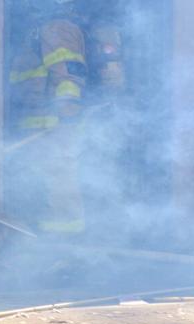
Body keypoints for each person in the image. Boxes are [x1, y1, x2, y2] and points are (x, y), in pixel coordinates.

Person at [7, 0, 124, 236]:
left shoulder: (57, 28)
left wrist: (67, 112)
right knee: (45, 183)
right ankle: (52, 239)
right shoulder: (43, 29)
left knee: (59, 183)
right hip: (43, 124)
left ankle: (62, 243)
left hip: (56, 125)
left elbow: (69, 73)